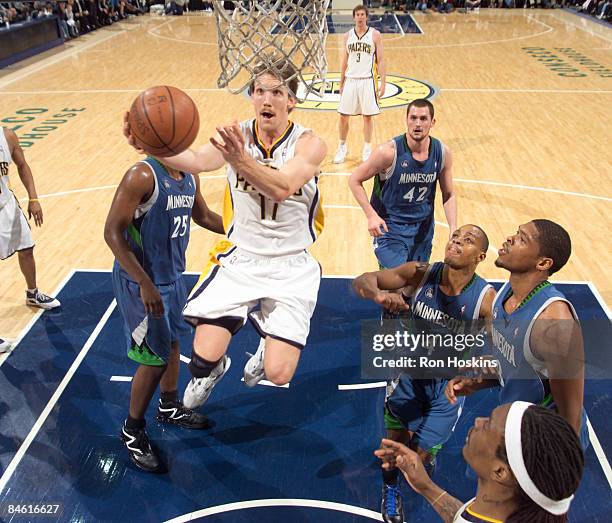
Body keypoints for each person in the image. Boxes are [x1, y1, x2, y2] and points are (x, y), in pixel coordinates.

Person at [125, 59, 327, 410]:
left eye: (277, 92)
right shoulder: (236, 136)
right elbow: (196, 160)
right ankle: (213, 370)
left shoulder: (309, 144)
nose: (267, 99)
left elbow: (281, 187)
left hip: (291, 266)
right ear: (251, 96)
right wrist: (150, 145)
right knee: (201, 357)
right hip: (242, 258)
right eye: (260, 90)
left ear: (291, 100)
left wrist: (239, 160)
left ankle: (268, 343)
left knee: (279, 374)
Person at [354, 224, 495, 523]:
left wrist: (479, 371)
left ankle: (420, 459)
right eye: (455, 236)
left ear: (480, 256)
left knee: (420, 457)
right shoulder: (420, 273)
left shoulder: (485, 299)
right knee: (395, 445)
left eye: (467, 241)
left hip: (448, 386)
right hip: (409, 375)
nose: (456, 242)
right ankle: (390, 490)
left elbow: (504, 350)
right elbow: (364, 280)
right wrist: (378, 296)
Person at [104, 155, 224, 472]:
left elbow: (205, 217)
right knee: (153, 358)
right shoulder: (142, 176)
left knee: (171, 343)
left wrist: (246, 230)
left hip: (172, 277)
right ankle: (132, 429)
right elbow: (112, 232)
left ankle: (168, 405)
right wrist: (144, 282)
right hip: (140, 281)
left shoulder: (189, 175)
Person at [446, 220, 589, 450]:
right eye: (516, 232)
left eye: (522, 238)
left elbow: (571, 420)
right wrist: (478, 382)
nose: (511, 238)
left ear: (543, 263)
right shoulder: (505, 293)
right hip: (515, 424)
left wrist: (543, 466)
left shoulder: (555, 325)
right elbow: (514, 364)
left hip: (544, 443)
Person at [375, 402, 584, 522]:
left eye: (488, 425)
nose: (477, 421)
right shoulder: (516, 510)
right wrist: (427, 487)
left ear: (500, 471)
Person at [349, 99, 456, 271]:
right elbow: (354, 180)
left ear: (432, 122)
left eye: (423, 119)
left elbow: (449, 193)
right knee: (395, 286)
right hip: (391, 228)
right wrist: (371, 215)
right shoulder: (388, 152)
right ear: (406, 120)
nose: (417, 124)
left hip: (423, 229)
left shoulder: (442, 153)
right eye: (413, 118)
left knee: (414, 285)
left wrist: (453, 227)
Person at [0, 127, 61, 311]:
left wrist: (33, 198)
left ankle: (33, 294)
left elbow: (22, 165)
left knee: (26, 248)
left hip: (6, 205)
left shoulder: (7, 136)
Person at [333, 4, 386, 164]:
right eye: (358, 14)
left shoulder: (375, 35)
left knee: (367, 118)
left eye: (363, 14)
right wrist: (341, 82)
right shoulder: (347, 35)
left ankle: (367, 148)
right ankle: (342, 147)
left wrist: (383, 83)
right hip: (351, 80)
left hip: (367, 80)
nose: (360, 17)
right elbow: (344, 60)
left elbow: (381, 60)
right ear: (354, 17)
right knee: (343, 117)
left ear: (367, 17)